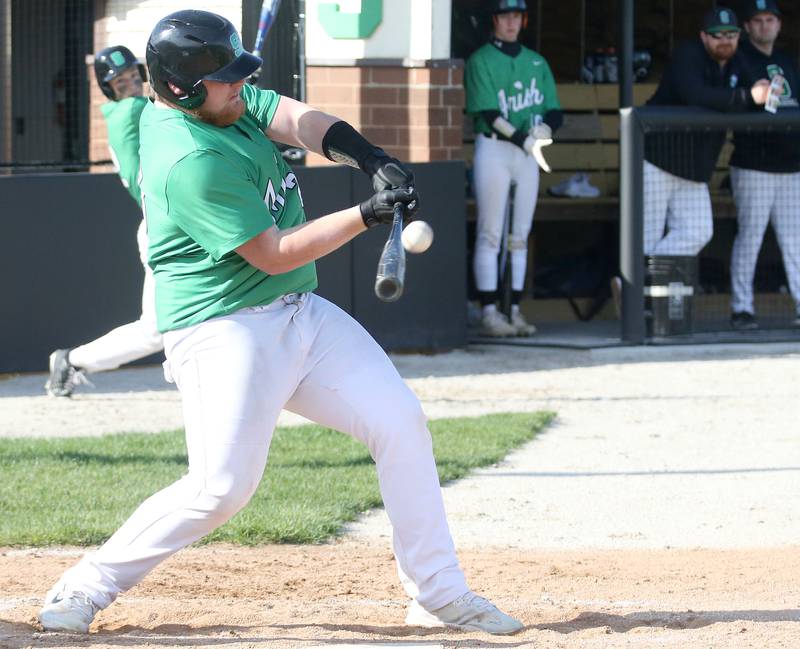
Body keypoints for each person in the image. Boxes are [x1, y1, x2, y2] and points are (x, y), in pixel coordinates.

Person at [37, 10, 523, 637]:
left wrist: (369, 158)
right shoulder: (188, 158)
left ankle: (437, 592)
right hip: (221, 330)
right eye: (226, 81)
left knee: (399, 420)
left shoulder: (223, 103)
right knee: (221, 489)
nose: (240, 89)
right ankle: (87, 584)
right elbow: (275, 252)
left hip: (296, 312)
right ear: (183, 89)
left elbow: (295, 117)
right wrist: (366, 214)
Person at [44, 46, 163, 397]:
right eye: (119, 81)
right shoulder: (129, 112)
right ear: (109, 89)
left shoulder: (139, 110)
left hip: (178, 223)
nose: (129, 85)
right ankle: (73, 361)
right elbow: (183, 107)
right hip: (166, 230)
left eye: (131, 77)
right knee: (156, 330)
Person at [465, 0, 562, 337]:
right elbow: (489, 112)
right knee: (491, 232)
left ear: (524, 20)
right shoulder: (481, 60)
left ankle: (514, 310)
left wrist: (544, 132)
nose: (510, 22)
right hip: (495, 148)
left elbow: (554, 111)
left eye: (516, 16)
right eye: (504, 15)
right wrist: (524, 139)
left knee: (520, 235)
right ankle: (490, 311)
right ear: (494, 20)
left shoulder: (536, 61)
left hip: (528, 153)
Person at [643, 7, 771, 258]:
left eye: (731, 35)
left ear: (739, 36)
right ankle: (636, 292)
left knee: (698, 231)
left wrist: (762, 89)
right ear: (704, 37)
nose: (725, 40)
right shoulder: (688, 55)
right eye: (717, 35)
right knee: (646, 236)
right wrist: (747, 96)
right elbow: (696, 95)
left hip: (694, 166)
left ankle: (642, 281)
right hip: (656, 160)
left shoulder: (738, 59)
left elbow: (757, 88)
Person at [728, 0, 800, 331]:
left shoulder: (787, 61)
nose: (765, 26)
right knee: (751, 237)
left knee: (795, 239)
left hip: (792, 166)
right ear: (747, 26)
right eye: (757, 20)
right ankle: (742, 308)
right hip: (753, 165)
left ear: (779, 25)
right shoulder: (738, 59)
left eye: (770, 19)